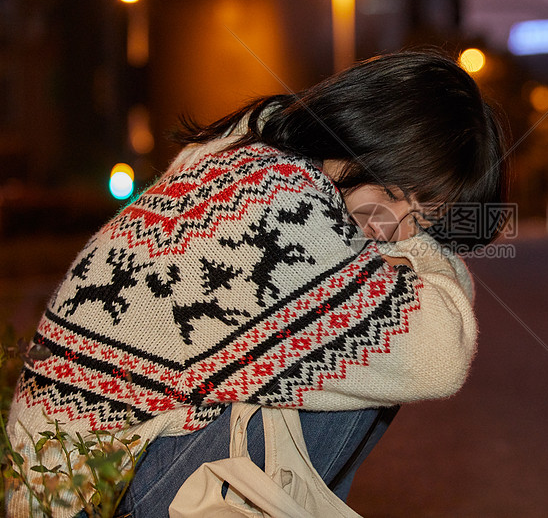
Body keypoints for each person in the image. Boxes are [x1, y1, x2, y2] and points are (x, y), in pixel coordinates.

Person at [5, 50, 508, 517]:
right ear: (365, 132)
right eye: (395, 193)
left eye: (422, 218)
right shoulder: (276, 202)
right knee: (382, 347)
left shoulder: (248, 159)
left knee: (353, 343)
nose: (395, 225)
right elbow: (437, 356)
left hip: (79, 479)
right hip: (89, 496)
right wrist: (423, 252)